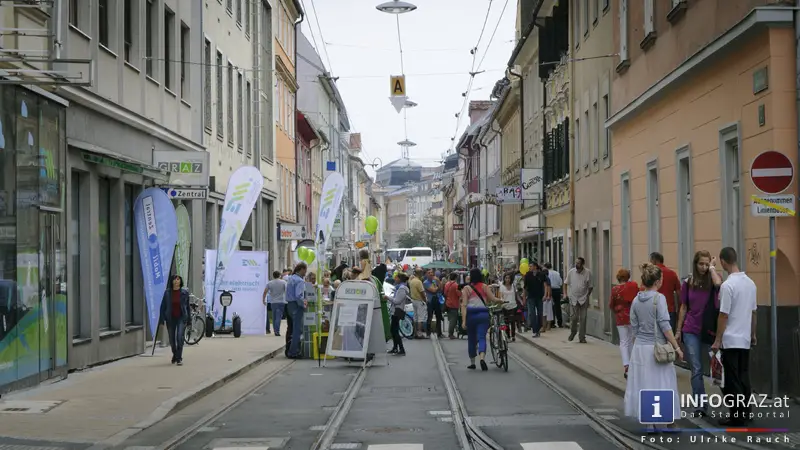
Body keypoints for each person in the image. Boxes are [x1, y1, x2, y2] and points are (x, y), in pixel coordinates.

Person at [624, 263, 683, 432]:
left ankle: (649, 423)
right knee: (662, 383)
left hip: (640, 349)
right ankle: (665, 422)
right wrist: (676, 347)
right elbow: (665, 326)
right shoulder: (659, 299)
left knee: (645, 384)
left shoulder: (636, 300)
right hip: (656, 348)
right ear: (658, 281)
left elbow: (633, 328)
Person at [712, 247, 757, 427]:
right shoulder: (750, 284)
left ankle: (736, 415)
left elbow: (724, 315)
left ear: (723, 262)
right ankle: (746, 412)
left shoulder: (727, 286)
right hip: (745, 338)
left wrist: (717, 339)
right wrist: (753, 334)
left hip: (730, 339)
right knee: (744, 376)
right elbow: (754, 312)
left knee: (731, 380)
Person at [675, 250, 722, 417]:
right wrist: (679, 330)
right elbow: (683, 307)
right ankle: (700, 406)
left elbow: (719, 285)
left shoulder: (714, 279)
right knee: (696, 368)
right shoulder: (688, 282)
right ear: (695, 264)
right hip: (691, 329)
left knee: (717, 368)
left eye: (706, 263)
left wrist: (711, 269)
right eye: (701, 264)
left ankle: (734, 406)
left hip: (709, 330)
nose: (703, 267)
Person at [460, 268, 502, 371]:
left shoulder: (466, 288)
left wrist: (464, 320)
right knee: (482, 337)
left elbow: (464, 305)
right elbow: (493, 299)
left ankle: (472, 362)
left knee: (472, 339)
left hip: (471, 315)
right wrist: (501, 300)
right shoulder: (484, 286)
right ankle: (482, 358)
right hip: (483, 314)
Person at [609, 268, 640, 379]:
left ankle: (626, 365)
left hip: (620, 318)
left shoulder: (615, 289)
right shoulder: (633, 286)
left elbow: (611, 304)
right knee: (632, 340)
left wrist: (617, 311)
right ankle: (632, 364)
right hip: (632, 317)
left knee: (623, 341)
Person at [160, 275, 190, 365]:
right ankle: (175, 354)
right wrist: (162, 319)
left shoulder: (184, 293)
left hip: (181, 317)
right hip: (171, 318)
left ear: (180, 282)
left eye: (178, 279)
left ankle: (179, 358)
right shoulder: (167, 293)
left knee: (179, 337)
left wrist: (189, 320)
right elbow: (163, 306)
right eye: (175, 279)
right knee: (172, 340)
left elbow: (187, 307)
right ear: (172, 281)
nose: (176, 281)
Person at [649, 252, 681, 331]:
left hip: (653, 310)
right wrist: (679, 309)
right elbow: (679, 293)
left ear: (654, 261)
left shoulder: (650, 275)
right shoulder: (672, 273)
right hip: (669, 310)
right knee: (669, 337)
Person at [564, 257, 593, 343]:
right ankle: (573, 332)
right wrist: (565, 294)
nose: (577, 265)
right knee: (574, 318)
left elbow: (590, 286)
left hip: (584, 298)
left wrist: (587, 295)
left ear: (582, 264)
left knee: (583, 318)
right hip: (573, 298)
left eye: (578, 263)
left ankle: (582, 337)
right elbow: (565, 283)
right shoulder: (571, 272)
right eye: (576, 263)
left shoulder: (588, 273)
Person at [285, 262, 308, 359]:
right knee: (297, 330)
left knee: (291, 329)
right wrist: (303, 305)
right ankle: (293, 351)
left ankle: (290, 348)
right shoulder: (299, 281)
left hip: (289, 305)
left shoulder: (290, 278)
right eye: (305, 270)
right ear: (301, 269)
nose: (305, 272)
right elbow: (299, 296)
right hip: (296, 305)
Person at [524, 262, 551, 337]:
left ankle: (538, 328)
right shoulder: (527, 275)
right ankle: (535, 330)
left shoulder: (541, 274)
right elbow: (525, 287)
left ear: (535, 267)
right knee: (532, 313)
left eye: (531, 266)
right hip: (530, 297)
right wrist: (524, 298)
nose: (529, 267)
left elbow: (545, 285)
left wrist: (545, 295)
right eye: (529, 266)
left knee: (540, 313)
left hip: (539, 296)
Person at [387, 272, 410, 356]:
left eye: (396, 278)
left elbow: (397, 301)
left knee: (394, 331)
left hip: (397, 311)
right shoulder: (400, 288)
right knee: (393, 330)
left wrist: (388, 298)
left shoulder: (401, 289)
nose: (395, 279)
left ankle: (401, 348)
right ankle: (395, 347)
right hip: (395, 310)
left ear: (400, 279)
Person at [263, 271, 287, 337]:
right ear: (279, 275)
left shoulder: (270, 283)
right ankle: (277, 331)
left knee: (274, 317)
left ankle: (275, 330)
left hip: (273, 302)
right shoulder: (283, 282)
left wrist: (263, 299)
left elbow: (265, 292)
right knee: (278, 317)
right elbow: (286, 291)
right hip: (281, 301)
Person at [424, 269, 444, 338]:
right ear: (426, 274)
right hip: (430, 301)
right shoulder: (426, 282)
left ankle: (439, 333)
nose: (431, 274)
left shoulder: (435, 281)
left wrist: (438, 281)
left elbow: (441, 288)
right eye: (429, 273)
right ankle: (428, 333)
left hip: (437, 300)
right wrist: (437, 287)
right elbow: (433, 290)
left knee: (439, 316)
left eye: (432, 273)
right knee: (430, 316)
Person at [499, 273, 519, 341]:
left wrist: (521, 302)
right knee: (506, 322)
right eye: (506, 278)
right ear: (504, 279)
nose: (507, 279)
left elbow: (516, 295)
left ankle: (513, 336)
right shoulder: (502, 286)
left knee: (512, 321)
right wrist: (501, 301)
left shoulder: (513, 286)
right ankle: (508, 336)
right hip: (505, 306)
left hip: (513, 305)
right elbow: (500, 296)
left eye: (509, 278)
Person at [409, 268, 428, 338]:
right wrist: (425, 300)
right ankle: (419, 333)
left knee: (415, 317)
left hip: (413, 300)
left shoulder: (412, 281)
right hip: (419, 301)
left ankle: (415, 333)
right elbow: (422, 292)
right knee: (420, 318)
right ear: (420, 273)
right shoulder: (418, 282)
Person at [544, 263, 564, 327]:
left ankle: (552, 323)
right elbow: (560, 283)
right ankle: (560, 322)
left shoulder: (547, 273)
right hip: (557, 290)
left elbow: (547, 283)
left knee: (551, 307)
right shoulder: (557, 273)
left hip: (550, 290)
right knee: (558, 306)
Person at [444, 273, 461, 339]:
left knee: (450, 318)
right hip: (454, 304)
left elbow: (445, 293)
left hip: (448, 303)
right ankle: (450, 334)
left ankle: (450, 332)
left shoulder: (447, 284)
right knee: (453, 320)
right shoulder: (456, 285)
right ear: (456, 278)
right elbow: (459, 294)